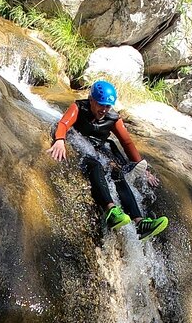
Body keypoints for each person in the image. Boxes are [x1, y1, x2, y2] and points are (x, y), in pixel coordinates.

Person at [46, 80, 169, 241]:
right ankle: (111, 211)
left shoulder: (113, 118)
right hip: (79, 144)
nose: (104, 110)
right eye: (100, 105)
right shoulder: (78, 107)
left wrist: (142, 168)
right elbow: (63, 123)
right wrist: (60, 140)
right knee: (95, 165)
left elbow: (127, 143)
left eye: (107, 106)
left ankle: (140, 223)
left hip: (99, 147)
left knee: (117, 173)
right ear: (91, 100)